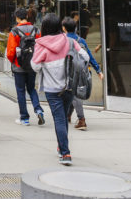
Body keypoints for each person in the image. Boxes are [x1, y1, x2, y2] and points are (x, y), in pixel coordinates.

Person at [32, 13, 89, 166]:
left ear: (44, 27)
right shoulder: (70, 41)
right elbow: (85, 57)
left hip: (52, 89)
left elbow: (35, 66)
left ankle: (65, 152)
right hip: (69, 86)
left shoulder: (40, 44)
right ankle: (61, 147)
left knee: (59, 118)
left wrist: (47, 64)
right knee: (62, 117)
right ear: (59, 26)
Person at [6, 7, 45, 126]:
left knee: (20, 91)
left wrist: (14, 61)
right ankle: (38, 110)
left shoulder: (14, 31)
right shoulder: (36, 30)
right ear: (27, 16)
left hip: (19, 66)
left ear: (17, 18)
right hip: (32, 65)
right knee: (32, 89)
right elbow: (40, 47)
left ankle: (24, 118)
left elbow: (11, 51)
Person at [62, 16, 103, 130]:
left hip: (67, 70)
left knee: (74, 95)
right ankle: (68, 115)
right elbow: (89, 56)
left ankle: (81, 120)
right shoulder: (81, 40)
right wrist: (98, 70)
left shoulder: (63, 40)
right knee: (73, 92)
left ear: (64, 28)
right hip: (80, 70)